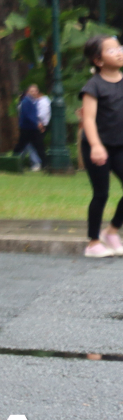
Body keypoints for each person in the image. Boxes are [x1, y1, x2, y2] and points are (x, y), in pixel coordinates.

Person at [78, 34, 123, 258]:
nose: (119, 52)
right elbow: (88, 119)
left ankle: (112, 231)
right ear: (98, 60)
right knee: (101, 194)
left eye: (119, 48)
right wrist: (96, 146)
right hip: (97, 147)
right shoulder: (93, 86)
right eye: (112, 50)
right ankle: (93, 242)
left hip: (120, 146)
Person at [15, 85, 50, 171]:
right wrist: (37, 124)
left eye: (35, 91)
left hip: (31, 128)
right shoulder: (26, 101)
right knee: (22, 146)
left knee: (38, 146)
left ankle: (45, 164)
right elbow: (28, 115)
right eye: (32, 91)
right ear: (28, 92)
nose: (34, 92)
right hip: (27, 128)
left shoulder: (33, 101)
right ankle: (13, 162)